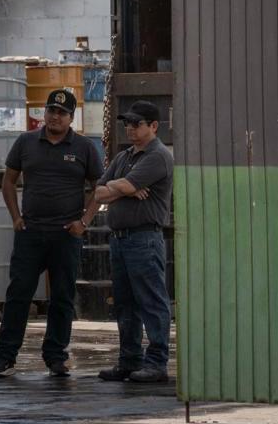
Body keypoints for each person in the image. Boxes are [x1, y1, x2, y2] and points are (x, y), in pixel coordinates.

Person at [0, 88, 101, 379]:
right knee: (18, 295)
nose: (54, 117)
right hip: (31, 233)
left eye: (61, 113)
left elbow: (98, 189)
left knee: (62, 297)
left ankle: (55, 358)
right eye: (51, 111)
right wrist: (16, 217)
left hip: (66, 235)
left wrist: (84, 222)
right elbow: (8, 182)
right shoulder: (26, 142)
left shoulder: (85, 148)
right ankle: (5, 358)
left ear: (71, 118)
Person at [92, 100, 174, 384]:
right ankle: (129, 361)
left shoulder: (158, 156)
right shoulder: (124, 157)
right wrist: (126, 188)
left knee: (151, 301)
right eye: (127, 123)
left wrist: (122, 186)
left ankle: (156, 363)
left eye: (136, 124)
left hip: (143, 238)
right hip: (120, 239)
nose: (130, 128)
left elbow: (116, 187)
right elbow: (98, 194)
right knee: (125, 304)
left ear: (153, 126)